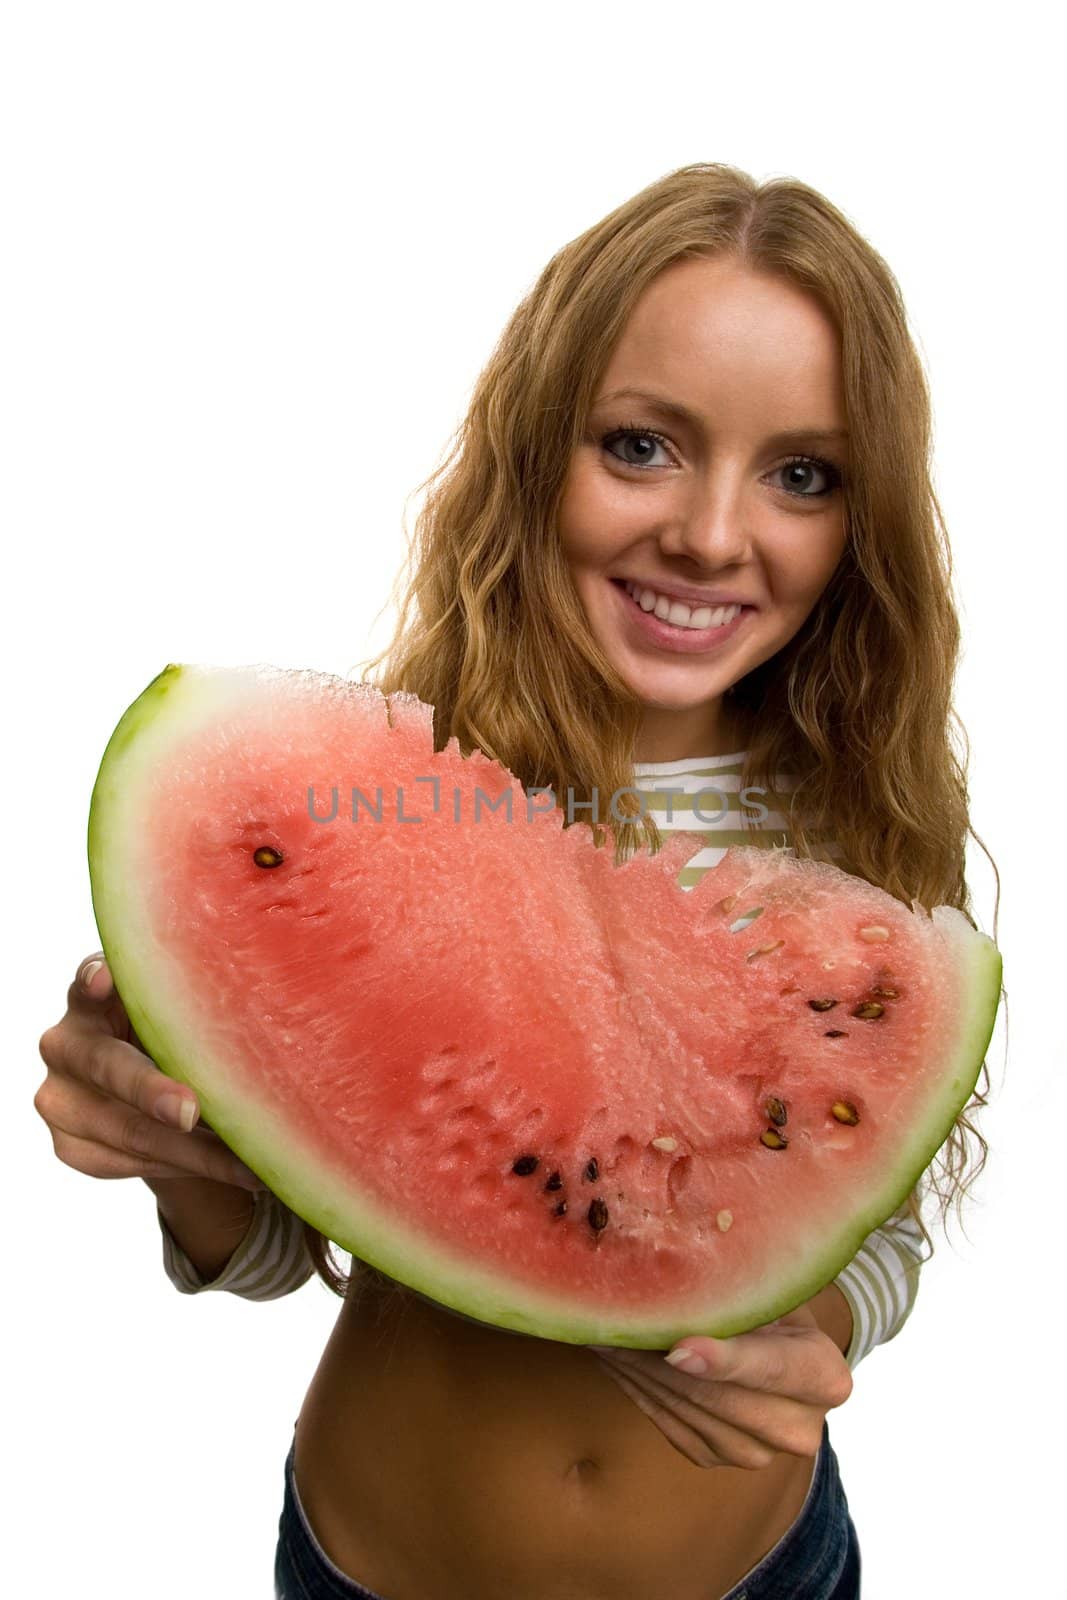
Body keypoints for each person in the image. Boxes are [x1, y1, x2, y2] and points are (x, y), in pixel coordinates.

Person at [36, 161, 997, 1600]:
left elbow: (869, 1224)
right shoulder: (378, 796)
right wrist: (189, 1175)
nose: (715, 534)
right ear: (540, 444)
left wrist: (830, 1337)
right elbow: (299, 1235)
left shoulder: (856, 845)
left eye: (804, 474)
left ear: (862, 526)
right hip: (371, 1562)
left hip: (762, 1574)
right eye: (641, 446)